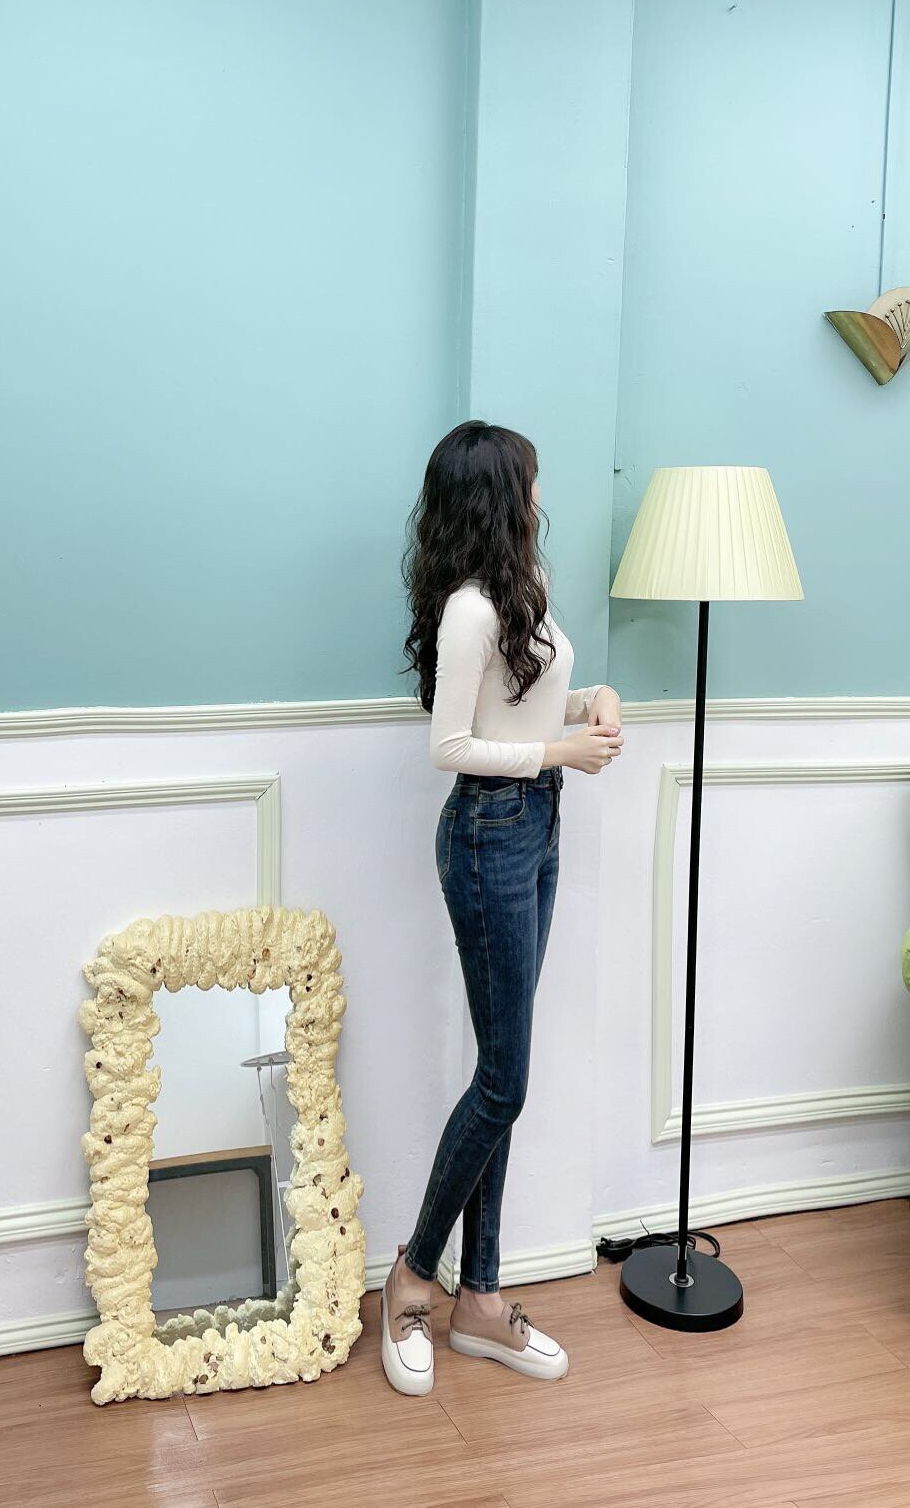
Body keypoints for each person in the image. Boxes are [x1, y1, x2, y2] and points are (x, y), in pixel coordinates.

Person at [383, 420, 624, 1396]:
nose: (540, 495)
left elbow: (516, 709)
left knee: (501, 1071)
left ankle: (480, 1299)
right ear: (497, 496)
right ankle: (413, 1277)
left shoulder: (524, 591)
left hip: (536, 823)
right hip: (488, 831)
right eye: (529, 481)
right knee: (505, 1083)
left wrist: (593, 697)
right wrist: (560, 753)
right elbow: (449, 746)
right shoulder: (469, 610)